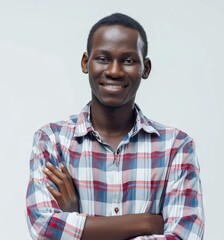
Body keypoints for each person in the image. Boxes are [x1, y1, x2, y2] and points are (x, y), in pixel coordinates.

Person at [26, 13, 204, 240]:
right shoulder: (52, 140)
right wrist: (145, 221)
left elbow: (184, 236)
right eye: (103, 58)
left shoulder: (176, 146)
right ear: (85, 63)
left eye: (128, 60)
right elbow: (43, 227)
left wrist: (77, 223)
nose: (114, 71)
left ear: (146, 68)